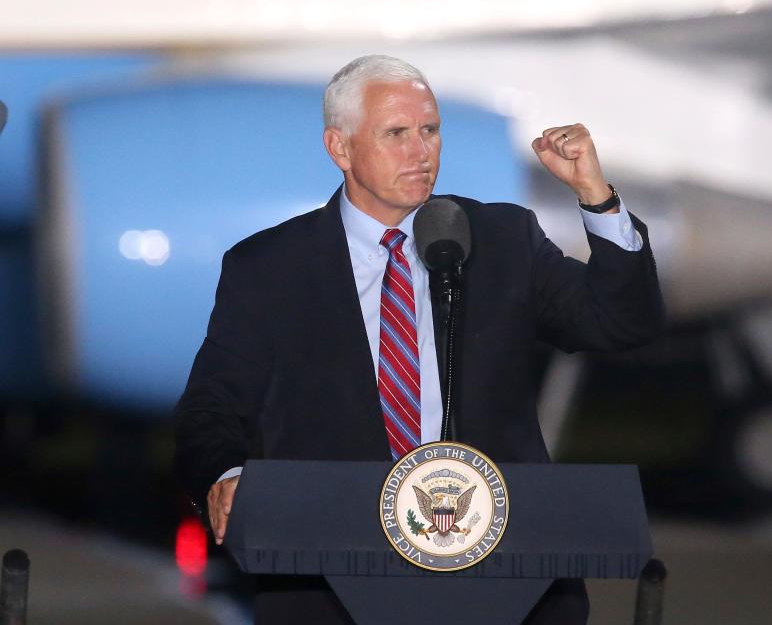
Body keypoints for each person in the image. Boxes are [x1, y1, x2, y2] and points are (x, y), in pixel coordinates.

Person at [175, 54, 665, 624]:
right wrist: (226, 475)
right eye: (396, 134)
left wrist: (596, 197)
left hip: (509, 575)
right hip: (333, 577)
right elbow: (212, 404)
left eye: (430, 130)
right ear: (340, 148)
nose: (421, 150)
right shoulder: (270, 267)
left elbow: (621, 323)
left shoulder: (501, 239)